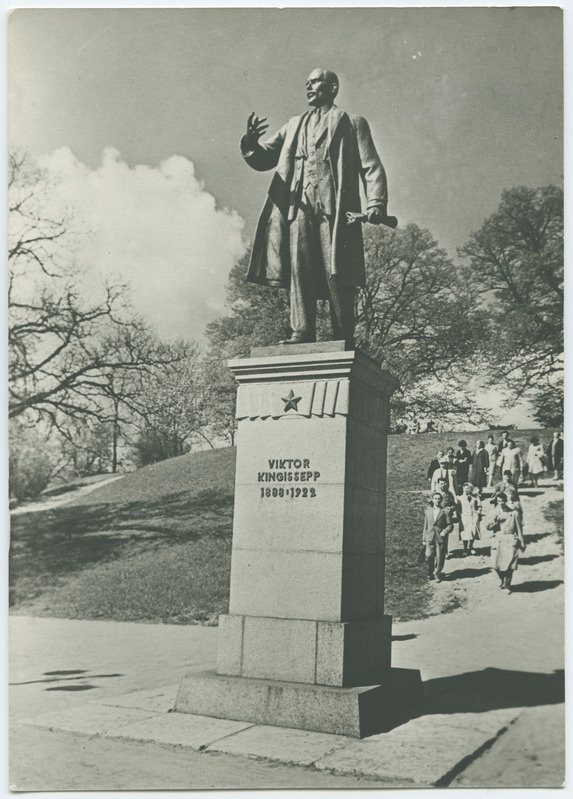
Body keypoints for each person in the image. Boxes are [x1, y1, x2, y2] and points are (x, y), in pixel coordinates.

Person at [241, 68, 390, 345]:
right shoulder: (294, 124)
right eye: (306, 83)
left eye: (315, 82)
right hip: (299, 207)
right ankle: (302, 331)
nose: (308, 88)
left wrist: (376, 202)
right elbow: (264, 158)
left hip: (336, 211)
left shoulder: (351, 122)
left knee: (338, 272)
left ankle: (343, 334)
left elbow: (371, 166)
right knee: (300, 268)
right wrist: (250, 143)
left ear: (333, 87)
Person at [487, 492, 525, 591]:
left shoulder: (513, 513)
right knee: (496, 565)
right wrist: (495, 520)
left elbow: (519, 529)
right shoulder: (493, 512)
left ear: (506, 501)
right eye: (499, 501)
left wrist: (522, 543)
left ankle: (507, 584)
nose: (501, 503)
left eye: (503, 501)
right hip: (497, 540)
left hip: (509, 540)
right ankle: (502, 580)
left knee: (509, 565)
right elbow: (487, 527)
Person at [422, 492, 454, 582]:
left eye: (439, 499)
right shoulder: (428, 511)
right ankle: (430, 572)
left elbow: (450, 525)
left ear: (441, 500)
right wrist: (424, 538)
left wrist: (445, 531)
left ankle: (437, 574)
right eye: (435, 499)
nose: (437, 500)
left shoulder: (445, 511)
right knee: (429, 555)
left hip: (440, 537)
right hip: (429, 537)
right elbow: (425, 525)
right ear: (432, 500)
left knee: (440, 557)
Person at [457, 482, 482, 555]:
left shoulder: (475, 498)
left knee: (473, 531)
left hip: (473, 516)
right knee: (465, 533)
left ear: (471, 489)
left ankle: (471, 546)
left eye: (468, 488)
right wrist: (459, 515)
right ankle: (465, 548)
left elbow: (479, 505)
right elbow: (458, 508)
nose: (466, 490)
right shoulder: (460, 498)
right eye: (465, 488)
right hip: (464, 517)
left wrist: (478, 512)